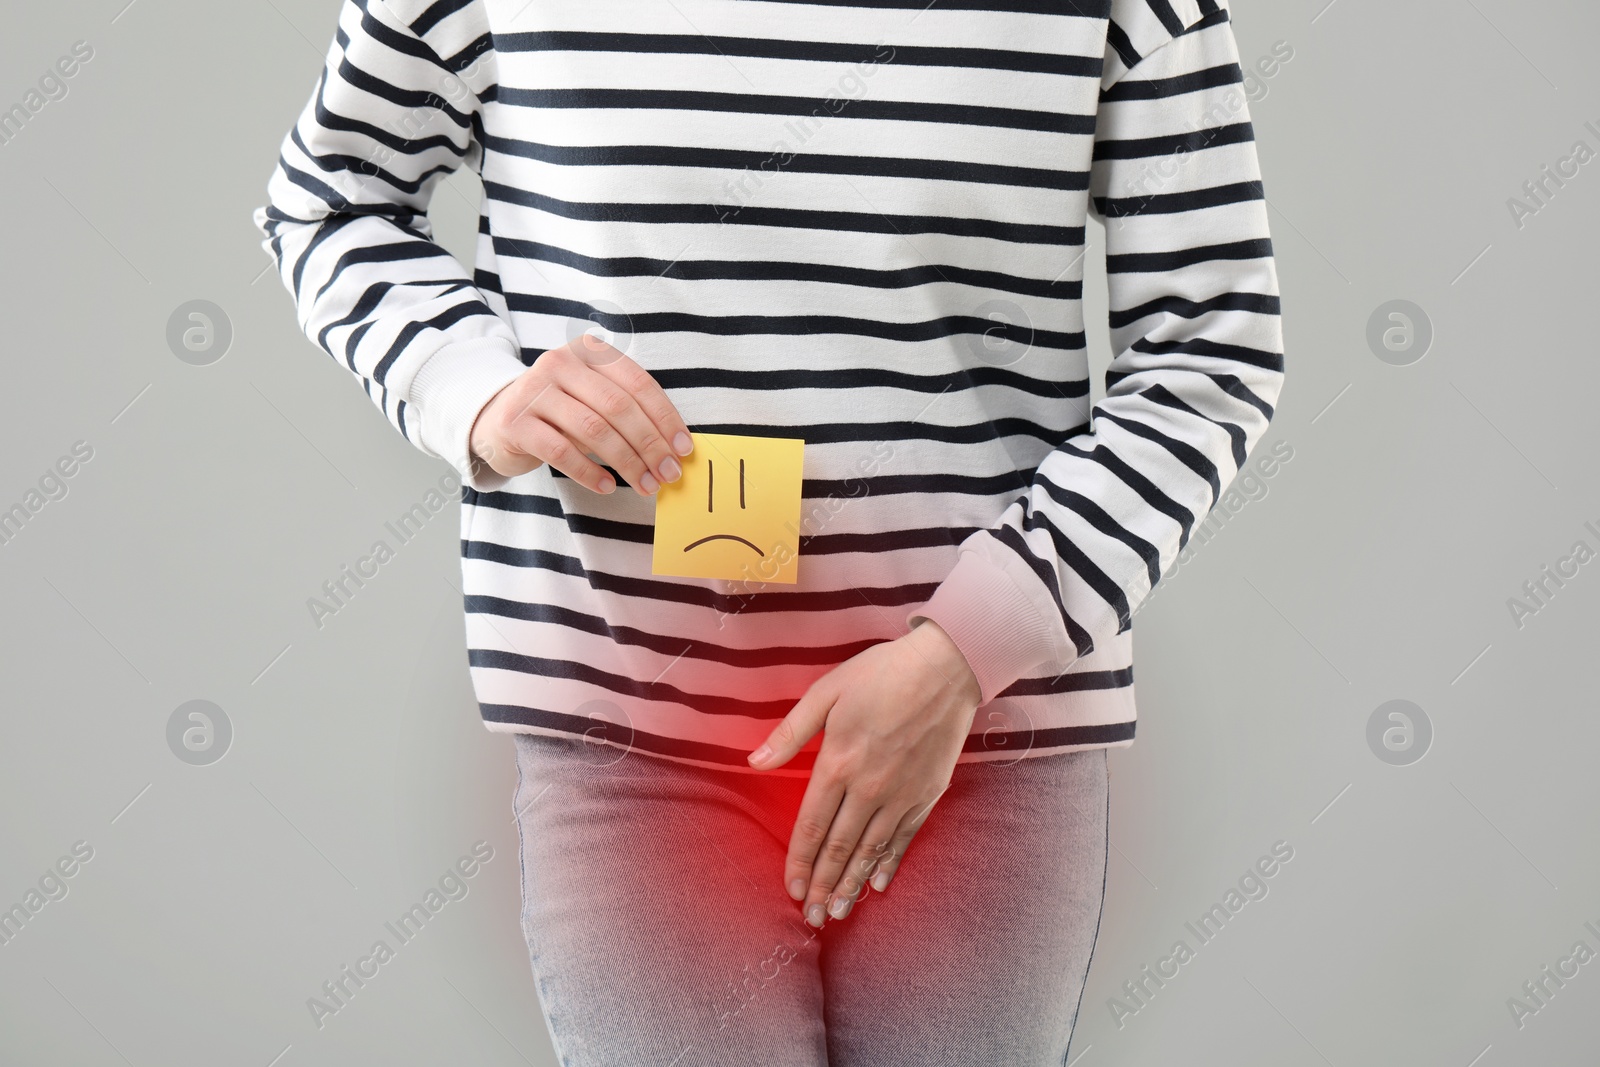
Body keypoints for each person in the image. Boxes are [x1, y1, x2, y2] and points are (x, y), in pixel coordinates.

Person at [252, 0, 1284, 1062]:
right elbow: (330, 199)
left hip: (977, 738)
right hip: (632, 717)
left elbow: (1210, 353)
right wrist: (473, 388)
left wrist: (964, 654)